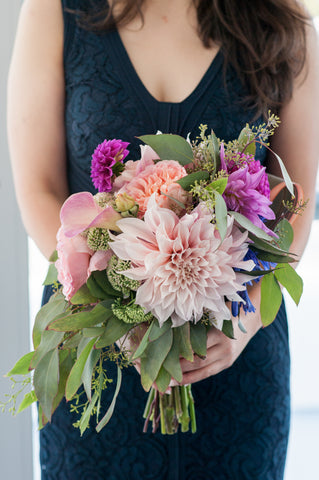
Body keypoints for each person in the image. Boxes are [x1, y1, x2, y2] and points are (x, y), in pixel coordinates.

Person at [7, 0, 319, 478]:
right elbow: (39, 189)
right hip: (100, 352)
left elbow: (296, 199)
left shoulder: (281, 13)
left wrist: (247, 320)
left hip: (236, 353)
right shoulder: (55, 9)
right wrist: (114, 299)